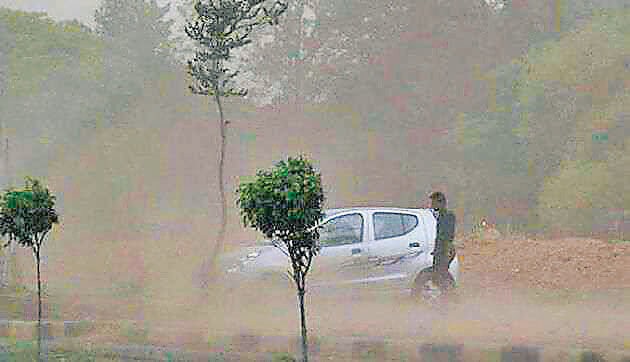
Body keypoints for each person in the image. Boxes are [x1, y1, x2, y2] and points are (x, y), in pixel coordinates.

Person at [429, 191, 456, 291]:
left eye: (434, 203)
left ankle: (448, 298)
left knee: (441, 276)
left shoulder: (448, 216)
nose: (432, 205)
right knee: (438, 277)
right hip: (440, 251)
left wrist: (446, 251)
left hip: (444, 251)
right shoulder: (440, 216)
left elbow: (448, 235)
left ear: (441, 203)